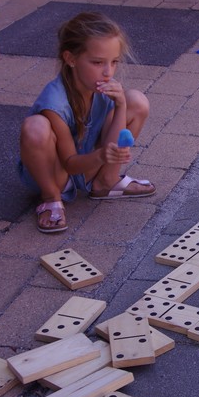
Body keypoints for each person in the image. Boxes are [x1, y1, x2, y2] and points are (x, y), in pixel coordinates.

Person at [19, 12, 155, 232]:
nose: (108, 72)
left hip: (89, 164)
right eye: (97, 62)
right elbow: (71, 164)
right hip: (59, 175)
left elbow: (113, 143)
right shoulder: (55, 103)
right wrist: (101, 156)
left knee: (136, 101)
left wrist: (120, 105)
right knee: (35, 127)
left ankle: (106, 182)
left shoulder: (101, 85)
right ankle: (51, 198)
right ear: (71, 59)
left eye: (114, 62)